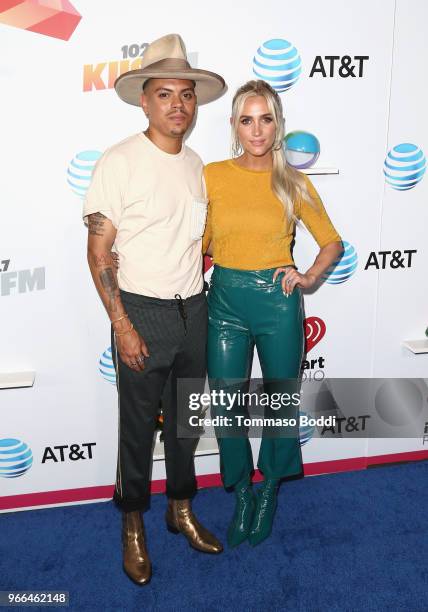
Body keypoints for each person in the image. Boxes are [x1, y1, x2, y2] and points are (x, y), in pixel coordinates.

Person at [83, 33, 226, 585]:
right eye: (164, 94)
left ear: (195, 103)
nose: (177, 105)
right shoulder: (119, 162)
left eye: (186, 95)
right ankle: (133, 524)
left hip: (195, 308)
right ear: (145, 100)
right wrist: (122, 325)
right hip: (140, 311)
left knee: (188, 423)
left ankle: (180, 508)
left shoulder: (197, 166)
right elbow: (98, 253)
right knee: (139, 429)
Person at [202, 79, 342, 547]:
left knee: (280, 403)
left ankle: (270, 489)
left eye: (266, 119)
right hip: (224, 298)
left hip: (277, 300)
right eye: (247, 119)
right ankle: (242, 490)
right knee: (225, 403)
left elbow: (331, 243)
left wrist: (307, 277)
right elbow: (198, 241)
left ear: (278, 125)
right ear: (234, 125)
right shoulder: (212, 175)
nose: (257, 130)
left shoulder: (292, 180)